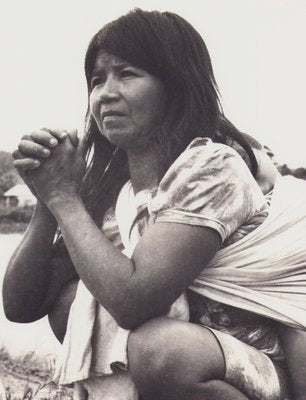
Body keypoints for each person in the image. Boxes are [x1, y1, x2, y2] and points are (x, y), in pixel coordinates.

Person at [3, 9, 306, 400]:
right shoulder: (111, 189)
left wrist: (65, 198)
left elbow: (134, 302)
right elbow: (22, 306)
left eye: (127, 74)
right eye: (97, 80)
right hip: (163, 370)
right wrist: (51, 197)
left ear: (176, 86)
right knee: (70, 303)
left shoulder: (213, 168)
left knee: (160, 349)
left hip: (253, 367)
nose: (106, 93)